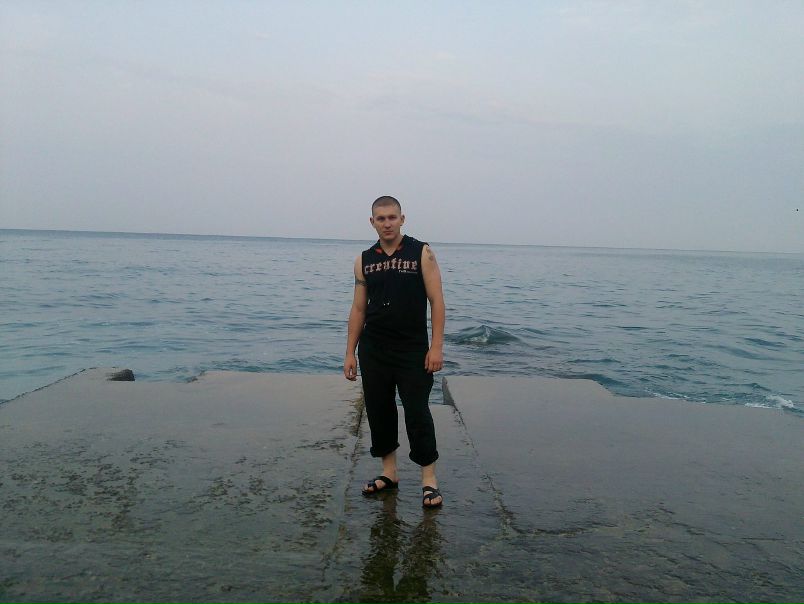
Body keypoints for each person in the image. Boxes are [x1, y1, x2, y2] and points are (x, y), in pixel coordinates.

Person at [344, 195, 445, 508]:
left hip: (412, 349)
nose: (387, 223)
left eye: (392, 217)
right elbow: (358, 309)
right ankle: (389, 473)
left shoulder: (421, 252)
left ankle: (429, 480)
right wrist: (350, 352)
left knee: (417, 411)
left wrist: (436, 347)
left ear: (402, 219)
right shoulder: (364, 260)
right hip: (374, 348)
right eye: (381, 218)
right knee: (379, 410)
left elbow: (437, 301)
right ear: (372, 222)